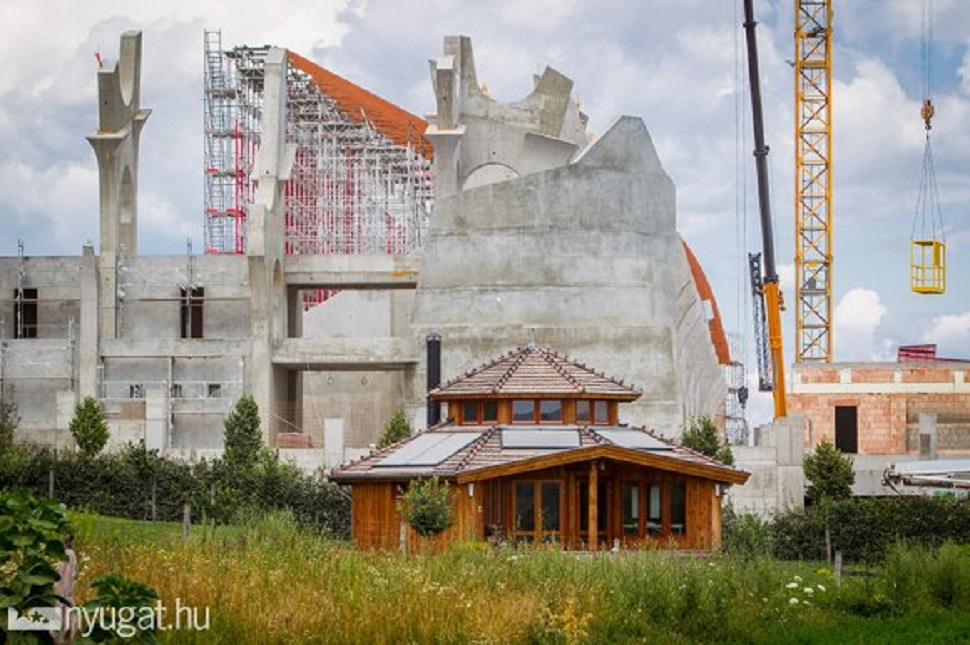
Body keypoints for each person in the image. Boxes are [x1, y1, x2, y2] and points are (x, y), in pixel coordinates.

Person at [53, 534, 77, 644]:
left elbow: (64, 575)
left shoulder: (67, 555)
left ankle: (59, 637)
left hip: (63, 589)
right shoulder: (71, 554)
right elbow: (72, 574)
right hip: (66, 590)